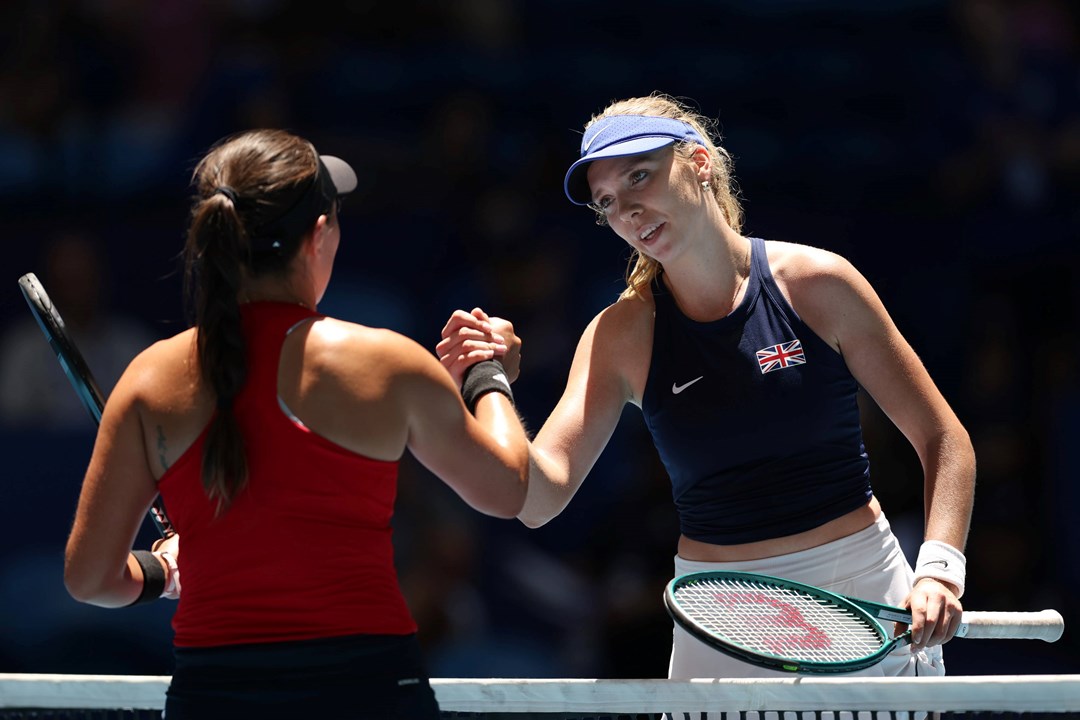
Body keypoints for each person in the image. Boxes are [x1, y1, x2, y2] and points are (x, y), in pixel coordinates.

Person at [437, 93, 976, 679]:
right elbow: (538, 500)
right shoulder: (622, 334)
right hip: (718, 618)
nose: (629, 211)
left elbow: (944, 439)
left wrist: (940, 570)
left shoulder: (819, 284)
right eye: (608, 201)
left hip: (866, 598)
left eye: (640, 177)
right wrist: (489, 379)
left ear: (699, 162)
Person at [62, 128, 529, 719]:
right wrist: (486, 373)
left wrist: (163, 570)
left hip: (214, 700)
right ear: (319, 236)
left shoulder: (149, 378)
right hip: (369, 695)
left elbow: (91, 579)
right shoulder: (386, 363)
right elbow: (509, 487)